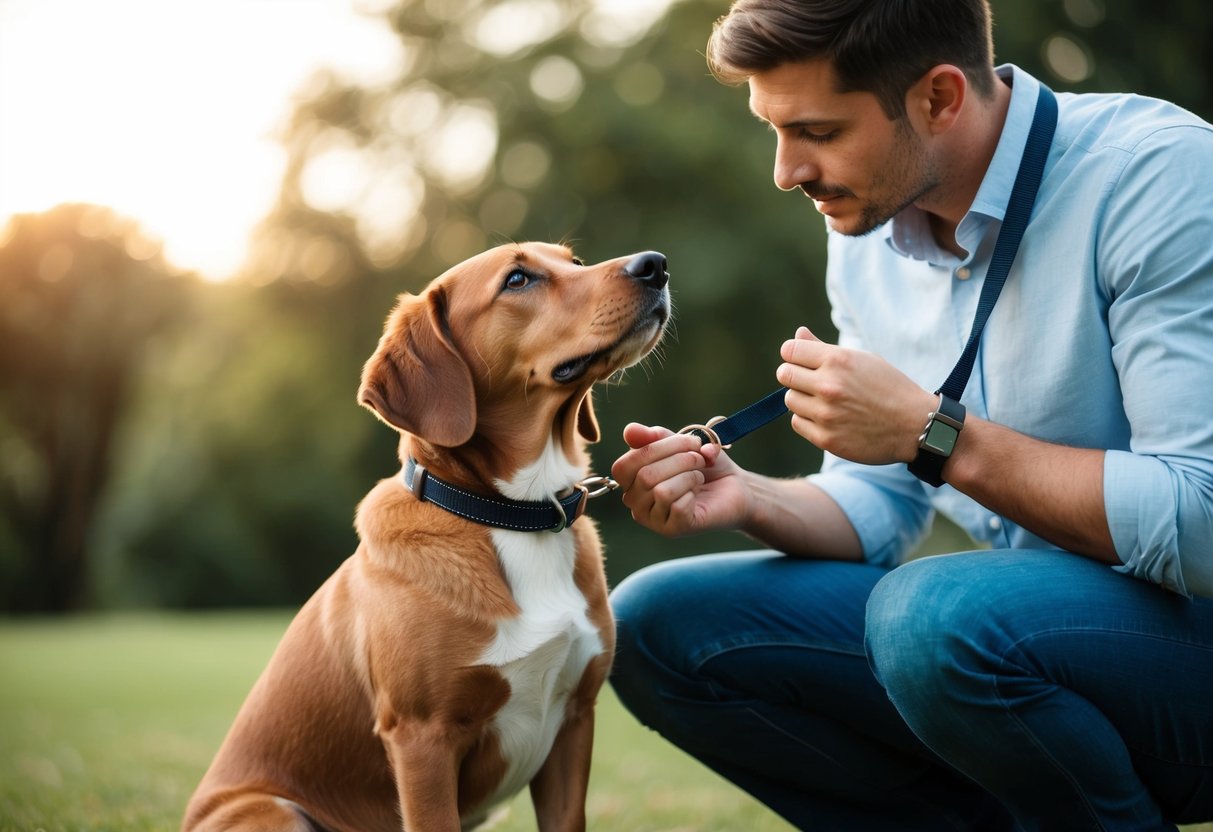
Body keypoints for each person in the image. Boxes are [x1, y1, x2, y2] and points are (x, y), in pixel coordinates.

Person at [607, 1, 1213, 830]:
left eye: (816, 131)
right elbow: (879, 509)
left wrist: (936, 437)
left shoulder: (1153, 177)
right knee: (657, 624)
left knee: (932, 617)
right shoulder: (866, 220)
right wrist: (745, 497)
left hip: (1189, 640)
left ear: (937, 98)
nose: (785, 171)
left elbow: (1200, 523)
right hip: (1023, 650)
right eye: (773, 130)